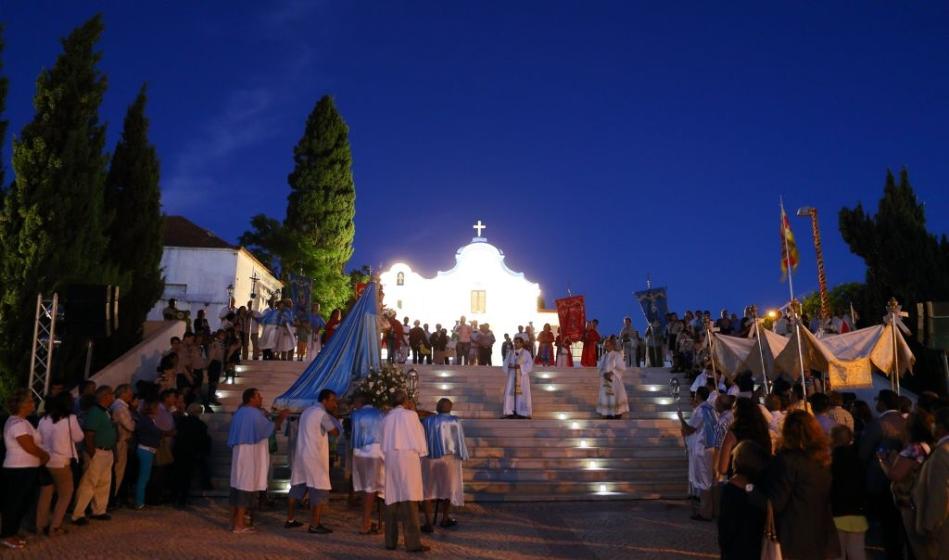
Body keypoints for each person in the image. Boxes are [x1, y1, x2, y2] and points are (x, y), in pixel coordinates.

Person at [766, 410, 839, 559]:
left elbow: (777, 501)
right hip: (820, 532)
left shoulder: (788, 461)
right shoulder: (822, 460)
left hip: (794, 535)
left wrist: (751, 491)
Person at [227, 388, 289, 534]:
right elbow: (272, 428)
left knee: (238, 486)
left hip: (239, 453)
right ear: (251, 398)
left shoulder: (240, 412)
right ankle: (239, 525)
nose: (261, 398)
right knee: (245, 487)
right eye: (259, 396)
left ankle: (234, 521)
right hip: (250, 454)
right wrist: (281, 416)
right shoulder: (253, 413)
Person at [858, 389, 907, 560]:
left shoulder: (879, 424)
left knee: (887, 524)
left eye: (878, 401)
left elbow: (863, 452)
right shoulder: (905, 421)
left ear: (884, 403)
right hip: (904, 480)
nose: (876, 404)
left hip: (881, 479)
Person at [879, 411, 934, 559]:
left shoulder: (913, 449)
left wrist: (883, 462)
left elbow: (896, 475)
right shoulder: (930, 446)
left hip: (909, 501)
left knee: (916, 547)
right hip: (924, 498)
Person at [380, 391, 429, 552]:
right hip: (408, 458)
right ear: (406, 401)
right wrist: (422, 453)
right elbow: (419, 436)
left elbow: (382, 441)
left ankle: (390, 541)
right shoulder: (411, 416)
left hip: (391, 458)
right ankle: (413, 543)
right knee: (410, 499)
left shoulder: (386, 417)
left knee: (392, 498)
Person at [286, 389, 340, 534]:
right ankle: (315, 524)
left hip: (302, 454)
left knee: (297, 487)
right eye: (333, 400)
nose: (335, 403)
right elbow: (335, 432)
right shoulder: (322, 414)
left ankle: (290, 519)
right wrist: (334, 416)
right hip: (315, 456)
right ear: (325, 400)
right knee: (319, 489)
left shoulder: (307, 411)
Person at [2, 389, 49, 549]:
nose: (33, 403)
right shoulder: (18, 424)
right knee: (15, 503)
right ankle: (7, 535)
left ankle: (12, 531)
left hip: (25, 468)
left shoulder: (22, 421)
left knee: (21, 502)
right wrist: (44, 456)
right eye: (30, 401)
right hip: (19, 469)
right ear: (22, 405)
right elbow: (28, 446)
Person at [36, 393, 82, 537]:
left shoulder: (44, 419)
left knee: (45, 494)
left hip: (44, 460)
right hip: (61, 462)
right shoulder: (70, 419)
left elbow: (38, 439)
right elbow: (78, 437)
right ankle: (54, 527)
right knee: (65, 494)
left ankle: (40, 526)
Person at [71, 385, 117, 526]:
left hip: (107, 451)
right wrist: (92, 452)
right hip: (97, 451)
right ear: (105, 396)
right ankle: (78, 513)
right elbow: (89, 434)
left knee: (104, 482)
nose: (113, 396)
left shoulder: (105, 411)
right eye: (111, 394)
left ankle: (99, 510)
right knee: (89, 482)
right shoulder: (95, 412)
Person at [421, 398, 469, 532]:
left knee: (427, 489)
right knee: (449, 487)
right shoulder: (455, 421)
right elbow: (459, 440)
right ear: (450, 408)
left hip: (430, 457)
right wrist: (462, 454)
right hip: (450, 458)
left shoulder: (428, 420)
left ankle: (428, 522)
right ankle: (445, 518)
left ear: (437, 407)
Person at [717, 440, 770, 560]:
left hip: (734, 550)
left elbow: (725, 528)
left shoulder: (731, 490)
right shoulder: (759, 489)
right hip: (754, 548)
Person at [912, 406, 949, 559]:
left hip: (943, 525)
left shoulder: (942, 452)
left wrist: (931, 524)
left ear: (940, 427)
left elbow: (939, 492)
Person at [830, 425, 868, 560]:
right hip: (858, 514)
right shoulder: (859, 460)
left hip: (836, 514)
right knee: (857, 553)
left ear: (832, 439)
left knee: (837, 554)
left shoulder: (829, 461)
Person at [679, 386, 717, 521]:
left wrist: (681, 419)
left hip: (702, 449)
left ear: (699, 396)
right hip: (709, 447)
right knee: (707, 479)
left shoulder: (700, 411)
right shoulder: (710, 409)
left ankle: (705, 512)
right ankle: (709, 510)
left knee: (704, 481)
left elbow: (689, 429)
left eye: (695, 394)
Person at [350, 392, 386, 535]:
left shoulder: (356, 414)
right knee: (371, 488)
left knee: (366, 487)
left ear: (360, 402)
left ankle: (366, 521)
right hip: (375, 453)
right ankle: (365, 523)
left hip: (359, 452)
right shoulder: (381, 414)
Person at [716, 398, 772, 479]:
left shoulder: (732, 434)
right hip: (761, 483)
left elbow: (722, 468)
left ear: (737, 412)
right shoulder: (763, 432)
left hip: (738, 484)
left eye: (733, 408)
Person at [172, 403, 211, 508]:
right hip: (191, 453)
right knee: (187, 478)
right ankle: (182, 500)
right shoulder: (201, 425)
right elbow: (203, 441)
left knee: (178, 476)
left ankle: (175, 497)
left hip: (179, 451)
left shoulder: (181, 422)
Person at [132, 398, 163, 509]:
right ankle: (139, 502)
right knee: (143, 477)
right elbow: (151, 432)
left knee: (145, 477)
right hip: (145, 449)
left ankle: (140, 500)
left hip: (148, 449)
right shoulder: (145, 420)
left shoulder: (149, 419)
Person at [109, 384, 136, 508]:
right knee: (118, 470)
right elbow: (130, 426)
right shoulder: (121, 407)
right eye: (129, 393)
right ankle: (113, 498)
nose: (131, 395)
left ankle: (113, 497)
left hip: (119, 440)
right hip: (120, 441)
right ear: (123, 393)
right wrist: (135, 421)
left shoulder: (118, 406)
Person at [596, 337, 629, 419]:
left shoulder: (617, 355)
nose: (606, 347)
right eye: (605, 345)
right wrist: (603, 374)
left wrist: (611, 373)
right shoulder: (604, 356)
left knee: (615, 397)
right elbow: (600, 368)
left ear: (612, 345)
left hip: (614, 381)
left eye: (608, 345)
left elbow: (621, 367)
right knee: (607, 398)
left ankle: (617, 413)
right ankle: (608, 413)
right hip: (605, 381)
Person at [502, 337, 533, 419]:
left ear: (522, 343)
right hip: (512, 376)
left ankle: (522, 412)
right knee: (510, 393)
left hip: (522, 378)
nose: (516, 344)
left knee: (522, 394)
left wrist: (520, 367)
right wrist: (508, 366)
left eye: (518, 342)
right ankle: (510, 411)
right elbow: (505, 363)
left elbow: (530, 365)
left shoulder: (526, 353)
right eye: (515, 342)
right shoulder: (510, 353)